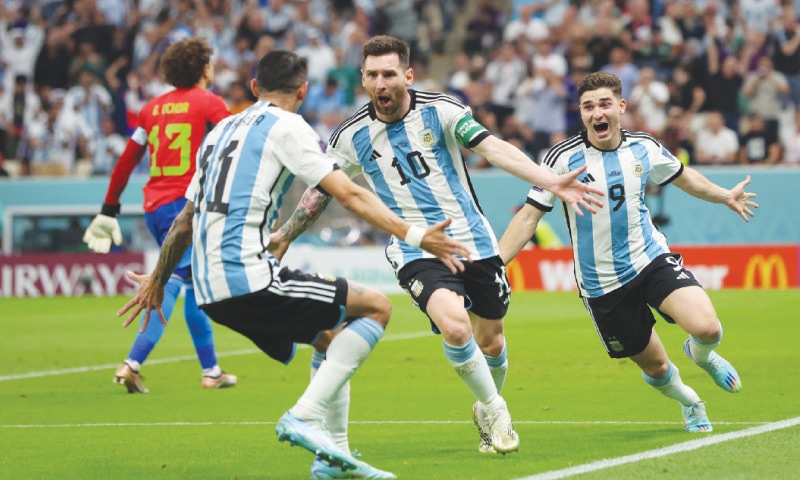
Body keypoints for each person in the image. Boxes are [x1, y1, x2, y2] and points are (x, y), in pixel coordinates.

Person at [117, 49, 471, 479]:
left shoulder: (220, 131)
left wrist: (158, 278)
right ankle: (303, 417)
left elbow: (185, 220)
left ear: (253, 88)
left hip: (209, 290)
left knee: (329, 337)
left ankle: (333, 459)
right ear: (302, 90)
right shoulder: (289, 127)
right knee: (378, 307)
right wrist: (417, 235)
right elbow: (349, 193)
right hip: (248, 277)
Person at [272, 35, 604, 458]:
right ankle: (497, 409)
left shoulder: (442, 110)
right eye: (372, 75)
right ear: (362, 79)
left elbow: (490, 146)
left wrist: (546, 178)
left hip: (476, 245)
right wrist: (285, 234)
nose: (381, 83)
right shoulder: (351, 136)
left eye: (389, 74)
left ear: (407, 76)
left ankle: (485, 407)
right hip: (415, 249)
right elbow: (321, 192)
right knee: (454, 325)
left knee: (493, 343)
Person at [498, 71, 758, 433]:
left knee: (708, 328)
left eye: (604, 104)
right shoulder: (561, 158)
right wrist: (495, 265)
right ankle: (690, 401)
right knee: (656, 368)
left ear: (620, 107)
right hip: (601, 282)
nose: (596, 113)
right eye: (588, 106)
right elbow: (528, 218)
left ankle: (702, 356)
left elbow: (684, 177)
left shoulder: (643, 146)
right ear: (581, 112)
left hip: (648, 258)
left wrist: (724, 195)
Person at [81, 37, 237, 393]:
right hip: (186, 207)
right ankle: (132, 363)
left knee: (194, 283)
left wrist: (110, 207)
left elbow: (126, 161)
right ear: (203, 68)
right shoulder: (210, 103)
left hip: (154, 206)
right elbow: (235, 140)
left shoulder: (151, 109)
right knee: (170, 281)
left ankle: (211, 371)